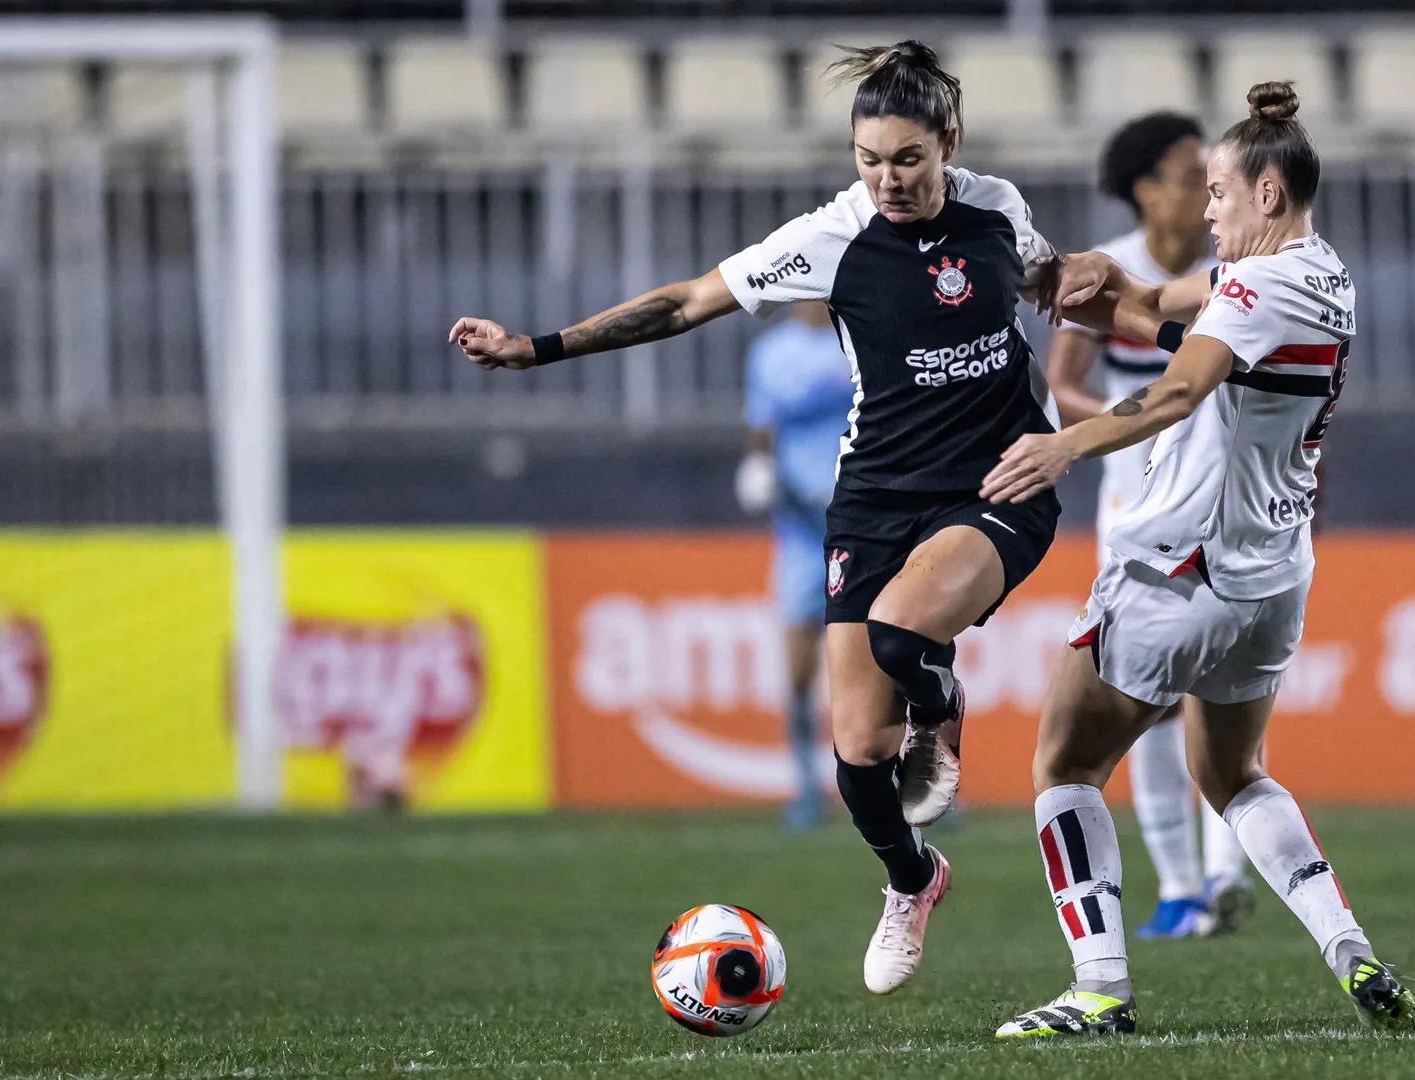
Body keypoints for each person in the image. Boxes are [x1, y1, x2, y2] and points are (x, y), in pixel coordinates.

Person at [449, 41, 1068, 997]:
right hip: (875, 496)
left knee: (905, 632)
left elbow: (1051, 283)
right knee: (857, 753)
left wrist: (1141, 319)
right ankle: (914, 880)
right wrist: (536, 348)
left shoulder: (999, 208)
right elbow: (688, 300)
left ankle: (939, 713)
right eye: (869, 160)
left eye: (907, 159)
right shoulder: (832, 236)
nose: (888, 180)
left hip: (998, 483)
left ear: (949, 142)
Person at [981, 82, 1415, 1037]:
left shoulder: (1259, 285)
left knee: (1064, 765)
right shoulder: (1322, 274)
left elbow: (1178, 388)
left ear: (1266, 193)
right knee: (1235, 775)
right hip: (1270, 581)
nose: (1206, 209)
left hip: (1179, 567)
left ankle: (1098, 990)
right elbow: (1150, 309)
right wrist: (1081, 279)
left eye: (1217, 191)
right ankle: (1350, 949)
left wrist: (1064, 445)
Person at [1047, 111, 1250, 941]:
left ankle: (1224, 877)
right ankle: (1181, 885)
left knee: (1227, 688)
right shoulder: (1112, 271)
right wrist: (1140, 422)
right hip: (1135, 505)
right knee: (1155, 698)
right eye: (1184, 173)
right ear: (1142, 188)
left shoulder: (1231, 270)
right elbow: (1062, 387)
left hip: (1224, 499)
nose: (1201, 188)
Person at [736, 300, 858, 831]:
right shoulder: (771, 353)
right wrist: (758, 465)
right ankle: (807, 787)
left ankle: (916, 782)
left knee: (883, 652)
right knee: (800, 661)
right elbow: (762, 424)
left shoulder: (857, 338)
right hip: (802, 527)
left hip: (862, 520)